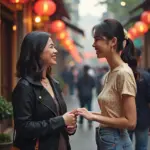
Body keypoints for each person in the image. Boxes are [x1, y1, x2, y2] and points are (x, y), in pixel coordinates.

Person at [77, 19, 137, 150]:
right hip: (109, 139)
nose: (93, 45)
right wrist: (89, 113)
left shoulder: (123, 73)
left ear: (113, 42)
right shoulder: (111, 73)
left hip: (116, 140)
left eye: (97, 39)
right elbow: (113, 114)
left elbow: (131, 122)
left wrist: (93, 117)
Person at [12, 31, 77, 150]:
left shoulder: (54, 83)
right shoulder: (25, 87)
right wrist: (61, 120)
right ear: (37, 51)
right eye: (51, 47)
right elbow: (24, 127)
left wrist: (69, 126)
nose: (56, 51)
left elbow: (59, 117)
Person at [128, 48, 150, 150]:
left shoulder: (123, 75)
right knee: (142, 147)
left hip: (125, 119)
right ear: (140, 59)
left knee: (125, 146)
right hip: (143, 119)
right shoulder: (146, 77)